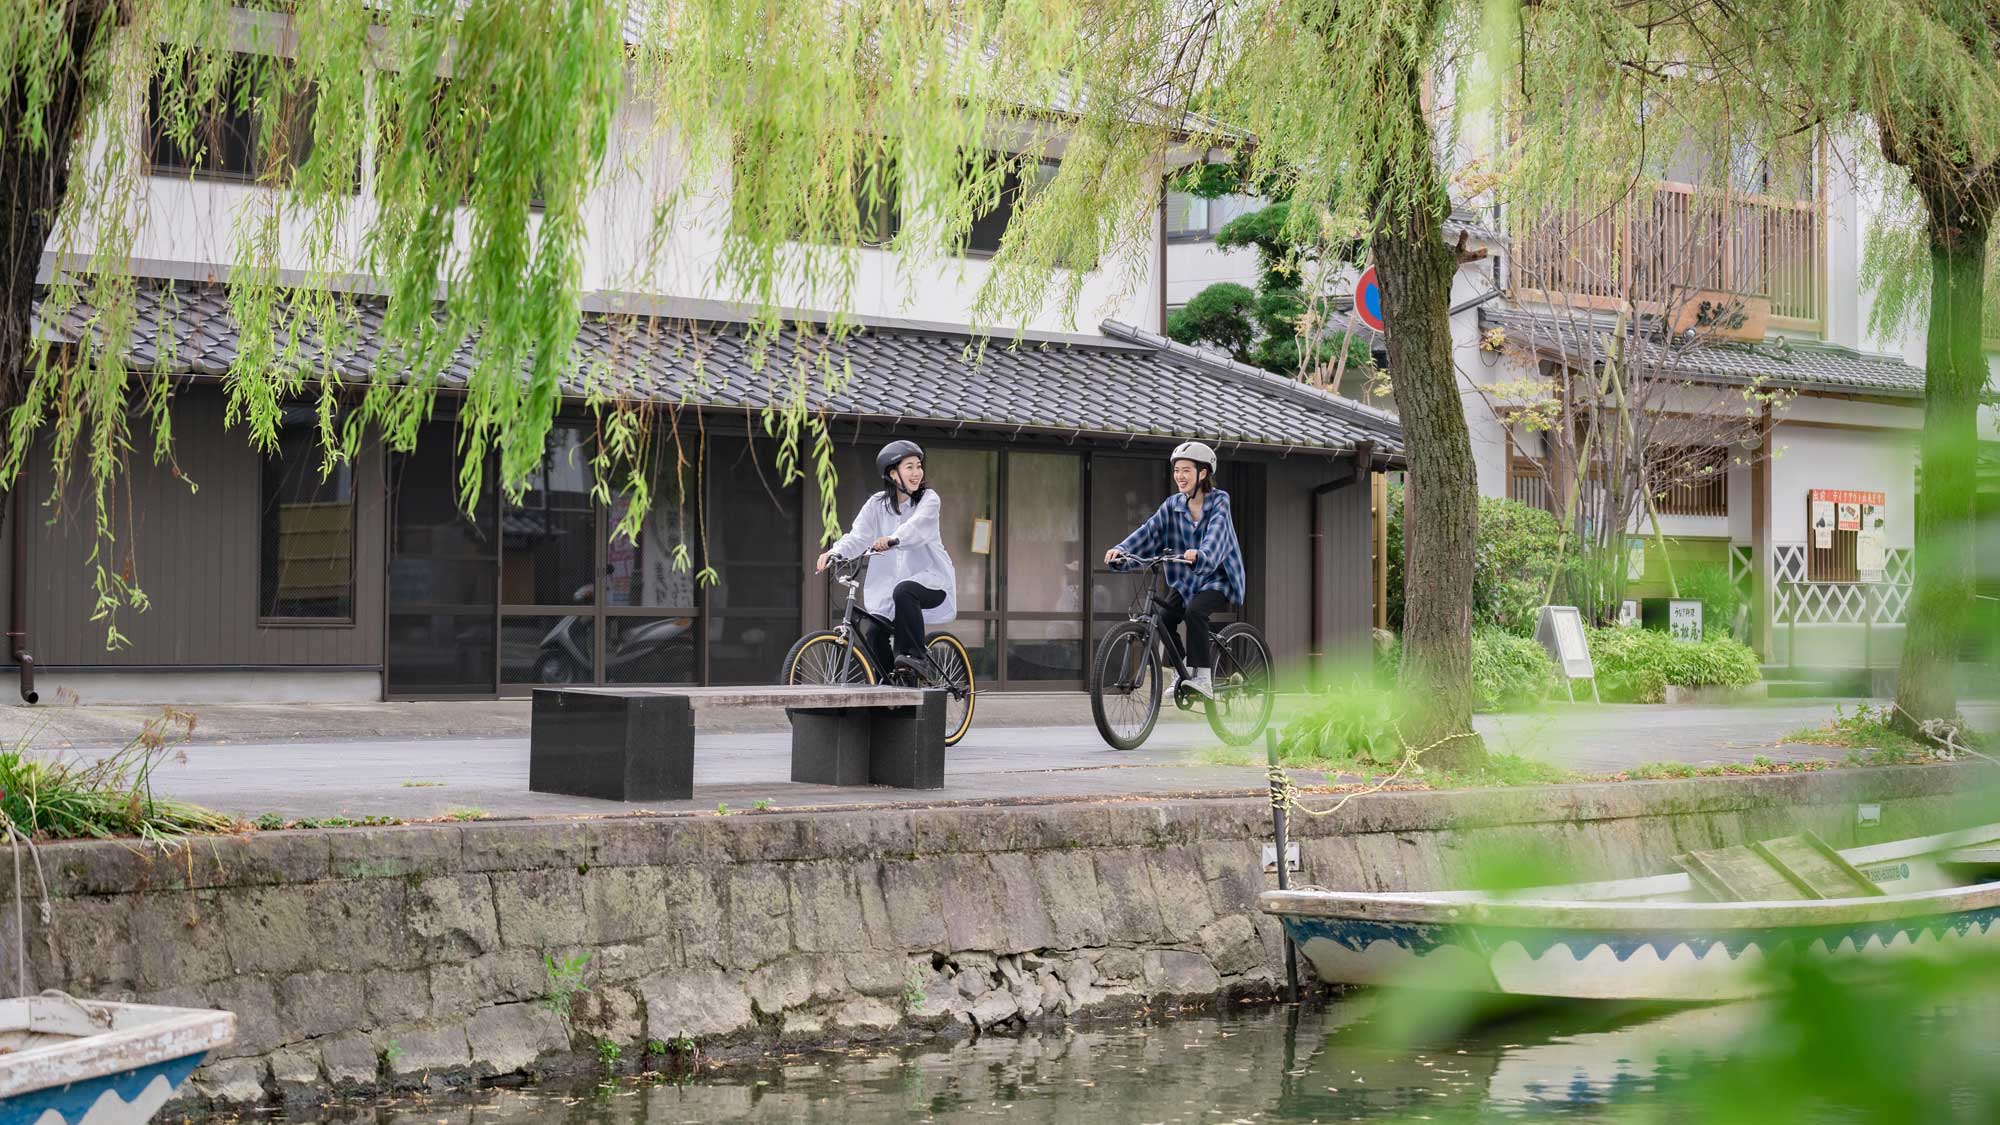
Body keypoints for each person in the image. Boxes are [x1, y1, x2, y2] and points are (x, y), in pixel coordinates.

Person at [1102, 440, 1244, 699]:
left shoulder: (1219, 501)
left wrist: (1201, 555)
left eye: (1186, 470)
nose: (1179, 476)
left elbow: (1215, 536)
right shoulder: (1172, 505)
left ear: (1203, 473)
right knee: (1166, 619)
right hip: (1186, 580)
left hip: (1218, 577)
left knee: (1195, 612)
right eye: (1177, 470)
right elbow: (1148, 531)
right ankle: (1183, 671)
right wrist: (1122, 550)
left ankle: (1203, 678)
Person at [817, 439, 958, 682]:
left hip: (932, 582)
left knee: (904, 591)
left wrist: (893, 539)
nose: (917, 473)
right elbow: (859, 536)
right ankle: (890, 687)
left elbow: (916, 528)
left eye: (918, 466)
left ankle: (916, 658)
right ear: (893, 474)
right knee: (873, 633)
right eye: (909, 467)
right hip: (888, 593)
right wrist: (835, 552)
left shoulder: (928, 500)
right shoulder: (876, 504)